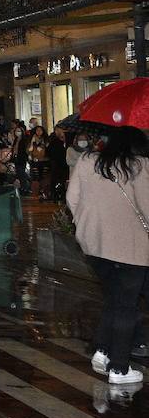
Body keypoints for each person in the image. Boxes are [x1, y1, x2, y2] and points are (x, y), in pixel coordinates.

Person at [67, 126, 149, 385]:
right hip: (130, 248)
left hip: (94, 245)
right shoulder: (139, 165)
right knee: (126, 306)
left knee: (114, 298)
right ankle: (120, 368)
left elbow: (72, 199)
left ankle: (102, 352)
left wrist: (85, 224)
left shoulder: (87, 161)